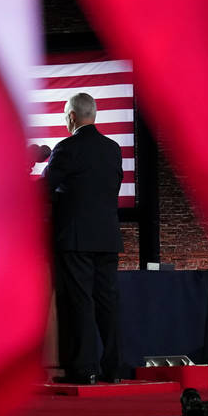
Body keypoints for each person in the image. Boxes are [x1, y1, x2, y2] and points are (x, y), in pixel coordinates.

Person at [42, 92, 124, 384]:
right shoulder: (113, 149)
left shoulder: (66, 148)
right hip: (107, 238)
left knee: (80, 303)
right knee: (107, 303)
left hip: (75, 239)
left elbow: (43, 189)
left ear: (72, 116)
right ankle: (113, 370)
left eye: (65, 115)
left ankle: (85, 370)